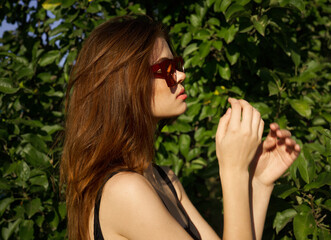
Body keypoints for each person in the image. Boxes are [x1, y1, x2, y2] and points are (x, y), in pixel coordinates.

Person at [60, 15, 301, 240]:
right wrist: (233, 170)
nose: (180, 76)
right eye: (165, 69)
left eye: (177, 64)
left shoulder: (164, 179)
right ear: (125, 84)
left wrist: (258, 182)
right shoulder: (123, 190)